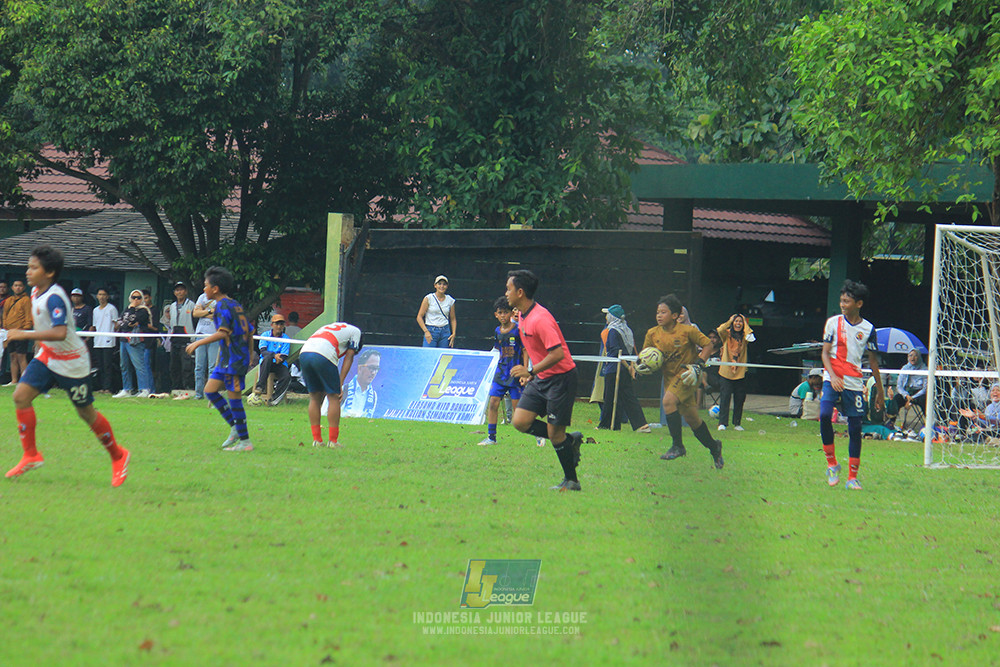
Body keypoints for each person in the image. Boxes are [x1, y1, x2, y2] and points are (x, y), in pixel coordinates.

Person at [4, 244, 129, 486]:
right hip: (48, 357)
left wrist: (23, 334)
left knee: (86, 413)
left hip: (72, 362)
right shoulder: (36, 292)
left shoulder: (54, 297)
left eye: (33, 268)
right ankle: (31, 455)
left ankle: (119, 455)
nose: (27, 272)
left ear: (49, 273)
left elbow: (60, 332)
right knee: (20, 396)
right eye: (28, 267)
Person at [505, 270, 583, 492]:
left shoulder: (541, 318)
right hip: (542, 377)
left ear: (520, 292)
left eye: (509, 288)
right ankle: (569, 441)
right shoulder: (521, 314)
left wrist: (530, 370)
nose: (506, 292)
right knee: (520, 421)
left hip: (561, 379)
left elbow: (558, 354)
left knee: (553, 434)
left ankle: (572, 480)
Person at [642, 294, 723, 468]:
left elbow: (708, 345)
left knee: (668, 401)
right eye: (657, 312)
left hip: (687, 375)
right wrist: (643, 365)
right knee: (693, 420)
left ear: (675, 315)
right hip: (669, 378)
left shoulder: (688, 331)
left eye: (663, 312)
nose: (659, 315)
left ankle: (677, 446)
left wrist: (699, 364)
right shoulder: (652, 333)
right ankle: (714, 447)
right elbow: (647, 355)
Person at [819, 279, 884, 491]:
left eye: (847, 301)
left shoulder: (868, 329)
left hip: (854, 382)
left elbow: (873, 361)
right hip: (832, 378)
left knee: (855, 428)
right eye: (841, 301)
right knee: (825, 415)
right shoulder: (833, 323)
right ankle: (831, 464)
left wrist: (880, 391)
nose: (842, 304)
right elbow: (824, 353)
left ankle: (852, 478)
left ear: (859, 304)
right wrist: (833, 376)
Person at [186, 266, 254, 451]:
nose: (204, 289)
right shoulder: (234, 304)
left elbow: (222, 333)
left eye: (206, 285)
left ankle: (245, 442)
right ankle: (234, 428)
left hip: (233, 359)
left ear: (215, 288)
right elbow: (250, 330)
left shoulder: (222, 306)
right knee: (210, 390)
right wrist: (250, 353)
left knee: (235, 399)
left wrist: (197, 343)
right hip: (229, 358)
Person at [298, 322, 363, 447]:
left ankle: (317, 440)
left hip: (305, 352)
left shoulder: (335, 327)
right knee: (333, 396)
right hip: (324, 352)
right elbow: (349, 357)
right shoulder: (356, 332)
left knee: (314, 397)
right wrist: (340, 382)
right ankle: (333, 441)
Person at [478, 297, 529, 446]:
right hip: (501, 373)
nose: (503, 316)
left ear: (511, 313)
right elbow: (497, 350)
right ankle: (491, 437)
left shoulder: (518, 329)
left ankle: (538, 435)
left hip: (515, 374)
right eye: (500, 313)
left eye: (505, 312)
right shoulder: (497, 331)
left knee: (518, 411)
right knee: (493, 403)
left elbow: (525, 350)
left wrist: (525, 371)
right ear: (496, 315)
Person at [596, 304, 650, 433]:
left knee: (610, 397)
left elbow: (615, 351)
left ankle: (606, 425)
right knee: (627, 396)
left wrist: (627, 365)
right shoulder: (627, 330)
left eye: (607, 315)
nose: (605, 318)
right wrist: (630, 367)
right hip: (623, 369)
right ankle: (640, 424)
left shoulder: (613, 331)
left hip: (615, 369)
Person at [715, 313, 755, 431]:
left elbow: (750, 335)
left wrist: (745, 322)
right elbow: (720, 329)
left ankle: (737, 423)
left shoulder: (745, 337)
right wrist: (730, 320)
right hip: (726, 372)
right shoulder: (726, 335)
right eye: (736, 321)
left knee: (740, 398)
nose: (738, 324)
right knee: (725, 396)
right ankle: (722, 423)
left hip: (740, 373)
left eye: (740, 321)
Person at [113, 289, 155, 398]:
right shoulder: (126, 309)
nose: (136, 300)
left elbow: (134, 320)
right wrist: (129, 321)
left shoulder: (144, 310)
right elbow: (122, 323)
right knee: (124, 365)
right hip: (124, 339)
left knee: (139, 365)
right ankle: (127, 389)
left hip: (136, 341)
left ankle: (144, 389)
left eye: (138, 297)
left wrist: (132, 310)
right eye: (133, 297)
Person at [165, 281, 196, 398]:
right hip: (175, 339)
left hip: (187, 339)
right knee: (174, 366)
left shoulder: (191, 305)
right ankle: (176, 388)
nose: (179, 292)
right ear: (174, 292)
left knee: (187, 366)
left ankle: (188, 388)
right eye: (177, 290)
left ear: (186, 291)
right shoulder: (172, 306)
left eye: (181, 289)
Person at [253, 313, 291, 405]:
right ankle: (260, 387)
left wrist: (279, 358)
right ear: (272, 325)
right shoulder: (265, 335)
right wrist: (274, 355)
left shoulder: (286, 338)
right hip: (266, 363)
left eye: (281, 324)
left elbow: (284, 355)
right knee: (267, 358)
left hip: (279, 363)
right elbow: (263, 351)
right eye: (277, 324)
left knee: (287, 376)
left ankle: (273, 400)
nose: (279, 326)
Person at [4, 279, 33, 385]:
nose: (18, 288)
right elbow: (4, 316)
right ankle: (14, 380)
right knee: (12, 356)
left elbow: (28, 316)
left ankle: (24, 381)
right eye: (15, 285)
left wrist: (25, 329)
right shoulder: (9, 300)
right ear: (12, 287)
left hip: (21, 332)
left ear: (24, 287)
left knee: (21, 356)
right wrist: (6, 328)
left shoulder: (26, 300)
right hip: (10, 332)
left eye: (20, 286)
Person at [192, 289, 219, 400]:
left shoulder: (221, 298)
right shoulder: (202, 297)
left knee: (212, 367)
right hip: (201, 334)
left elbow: (218, 315)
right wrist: (209, 312)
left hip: (214, 335)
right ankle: (198, 394)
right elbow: (195, 313)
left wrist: (203, 312)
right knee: (199, 367)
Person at [416, 275, 457, 348]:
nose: (442, 286)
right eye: (439, 284)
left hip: (445, 331)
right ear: (435, 285)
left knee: (444, 357)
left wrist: (453, 333)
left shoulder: (450, 300)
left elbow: (453, 318)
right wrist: (426, 331)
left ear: (447, 286)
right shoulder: (429, 298)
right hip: (431, 330)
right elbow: (419, 316)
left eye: (444, 284)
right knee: (428, 355)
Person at [91, 287, 119, 393]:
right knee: (100, 366)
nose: (101, 297)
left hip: (108, 341)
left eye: (103, 294)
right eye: (99, 294)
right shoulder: (95, 310)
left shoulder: (111, 309)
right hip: (98, 341)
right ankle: (102, 387)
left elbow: (116, 324)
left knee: (107, 365)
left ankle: (108, 388)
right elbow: (95, 326)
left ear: (107, 296)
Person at [342, 348, 380, 418]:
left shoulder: (374, 396)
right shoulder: (343, 390)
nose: (373, 372)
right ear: (360, 368)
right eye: (371, 368)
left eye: (376, 369)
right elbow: (324, 415)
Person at [894, 349, 928, 414]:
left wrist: (912, 398)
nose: (912, 358)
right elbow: (899, 386)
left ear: (919, 357)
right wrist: (906, 395)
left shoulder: (925, 369)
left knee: (924, 400)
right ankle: (892, 421)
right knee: (896, 399)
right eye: (910, 355)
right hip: (907, 392)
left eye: (915, 355)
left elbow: (925, 389)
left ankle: (928, 422)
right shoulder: (905, 368)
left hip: (919, 393)